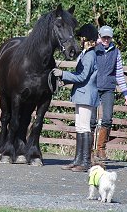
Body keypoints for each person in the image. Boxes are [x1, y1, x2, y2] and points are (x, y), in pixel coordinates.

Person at [53, 23, 99, 172]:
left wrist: (63, 74)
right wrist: (64, 79)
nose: (80, 40)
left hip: (86, 95)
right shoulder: (85, 54)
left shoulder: (91, 55)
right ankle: (78, 159)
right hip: (82, 94)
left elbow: (82, 76)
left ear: (87, 39)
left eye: (81, 38)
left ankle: (85, 162)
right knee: (79, 126)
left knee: (84, 127)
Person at [92, 25, 127, 160]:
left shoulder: (116, 52)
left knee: (107, 119)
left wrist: (125, 92)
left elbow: (119, 73)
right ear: (99, 37)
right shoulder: (94, 49)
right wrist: (93, 46)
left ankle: (101, 149)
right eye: (104, 37)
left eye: (108, 37)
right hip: (94, 87)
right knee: (91, 121)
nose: (106, 40)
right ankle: (89, 150)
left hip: (108, 88)